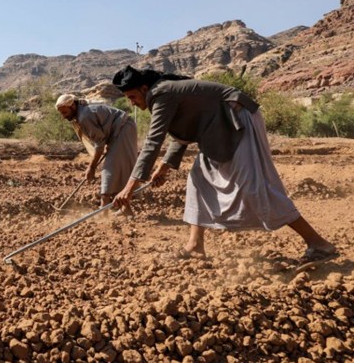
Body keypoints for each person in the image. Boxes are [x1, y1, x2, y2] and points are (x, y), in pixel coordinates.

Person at [110, 65, 338, 263]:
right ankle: (195, 246)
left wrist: (129, 188)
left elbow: (153, 141)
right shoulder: (164, 94)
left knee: (252, 187)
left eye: (132, 97)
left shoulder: (162, 93)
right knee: (198, 179)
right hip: (217, 128)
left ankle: (318, 243)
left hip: (237, 119)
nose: (131, 103)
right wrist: (164, 167)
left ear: (144, 88)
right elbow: (183, 134)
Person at [55, 93, 138, 213]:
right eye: (61, 113)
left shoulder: (84, 117)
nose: (63, 116)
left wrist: (92, 167)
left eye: (64, 112)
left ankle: (103, 209)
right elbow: (101, 140)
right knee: (116, 167)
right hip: (119, 131)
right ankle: (125, 209)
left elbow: (99, 144)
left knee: (110, 168)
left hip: (123, 129)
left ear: (72, 106)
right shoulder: (82, 113)